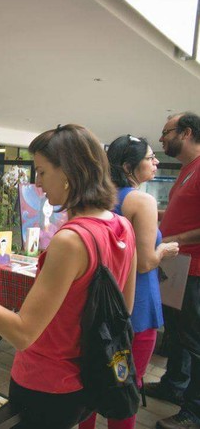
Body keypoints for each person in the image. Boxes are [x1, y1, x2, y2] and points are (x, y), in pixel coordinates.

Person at [0, 124, 137, 429]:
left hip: (47, 382)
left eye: (42, 171)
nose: (37, 182)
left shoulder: (71, 240)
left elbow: (22, 334)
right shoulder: (121, 226)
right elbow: (123, 309)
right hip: (87, 376)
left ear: (68, 172)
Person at [79, 134, 179, 429]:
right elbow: (146, 261)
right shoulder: (141, 200)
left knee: (93, 376)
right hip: (136, 306)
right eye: (150, 157)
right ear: (128, 165)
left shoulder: (99, 198)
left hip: (98, 300)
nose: (156, 161)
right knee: (125, 385)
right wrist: (166, 248)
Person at [144, 112, 200, 429]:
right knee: (178, 335)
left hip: (196, 270)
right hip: (180, 267)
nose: (162, 139)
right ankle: (174, 386)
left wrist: (172, 238)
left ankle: (194, 412)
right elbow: (182, 212)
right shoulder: (187, 171)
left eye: (166, 132)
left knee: (195, 341)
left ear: (187, 132)